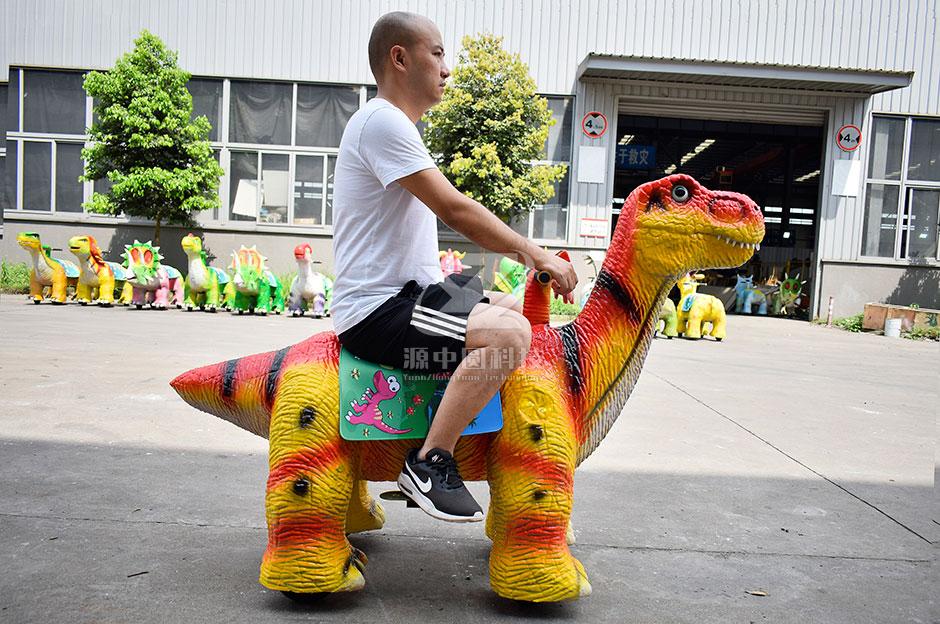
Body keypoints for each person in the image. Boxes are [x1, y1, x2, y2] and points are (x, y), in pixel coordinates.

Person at [331, 11, 577, 523]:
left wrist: (528, 278)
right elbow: (456, 210)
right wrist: (534, 253)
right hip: (376, 312)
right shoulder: (382, 121)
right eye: (437, 53)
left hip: (415, 296)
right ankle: (429, 460)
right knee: (510, 336)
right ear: (400, 58)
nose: (447, 67)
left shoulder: (395, 127)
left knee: (518, 309)